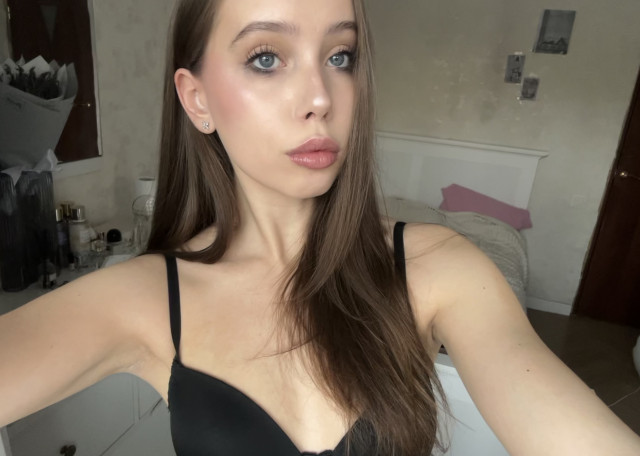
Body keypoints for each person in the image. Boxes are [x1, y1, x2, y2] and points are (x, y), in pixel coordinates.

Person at [1, 0, 640, 454]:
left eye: (340, 55)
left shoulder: (438, 266)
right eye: (266, 58)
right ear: (197, 100)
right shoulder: (143, 296)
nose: (321, 98)